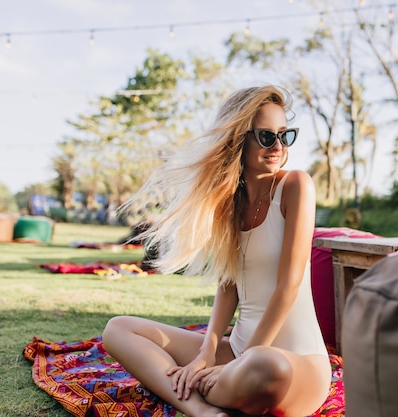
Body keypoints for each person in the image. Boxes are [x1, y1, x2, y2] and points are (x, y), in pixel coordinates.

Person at [102, 85, 331, 417]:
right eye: (267, 137)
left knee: (266, 367)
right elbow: (228, 286)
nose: (279, 147)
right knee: (118, 329)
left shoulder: (296, 185)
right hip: (238, 352)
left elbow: (289, 285)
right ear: (240, 139)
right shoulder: (229, 205)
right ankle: (203, 410)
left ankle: (204, 388)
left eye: (286, 135)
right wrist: (206, 356)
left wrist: (241, 362)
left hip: (292, 364)